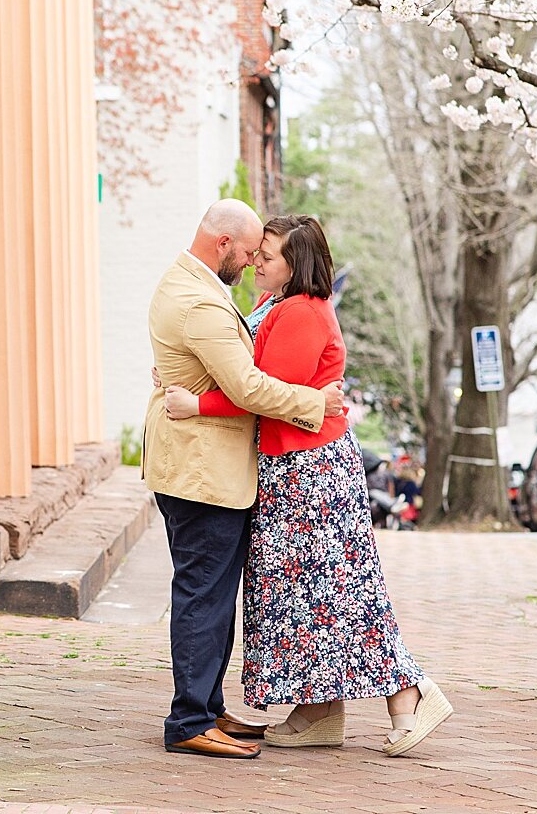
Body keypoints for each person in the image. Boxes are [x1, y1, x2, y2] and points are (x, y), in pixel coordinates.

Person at [163, 214, 451, 757]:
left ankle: (410, 693)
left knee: (337, 596)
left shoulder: (298, 313)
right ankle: (317, 711)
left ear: (295, 267)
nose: (256, 263)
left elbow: (261, 390)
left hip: (309, 473)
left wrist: (194, 402)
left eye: (267, 256)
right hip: (293, 467)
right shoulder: (275, 307)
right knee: (303, 600)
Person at [143, 200, 345, 760]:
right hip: (202, 472)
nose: (254, 260)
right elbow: (250, 388)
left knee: (208, 592)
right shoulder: (201, 303)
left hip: (198, 465)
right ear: (225, 245)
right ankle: (188, 720)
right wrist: (316, 400)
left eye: (266, 254)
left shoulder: (185, 284)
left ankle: (206, 707)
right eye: (251, 250)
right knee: (203, 595)